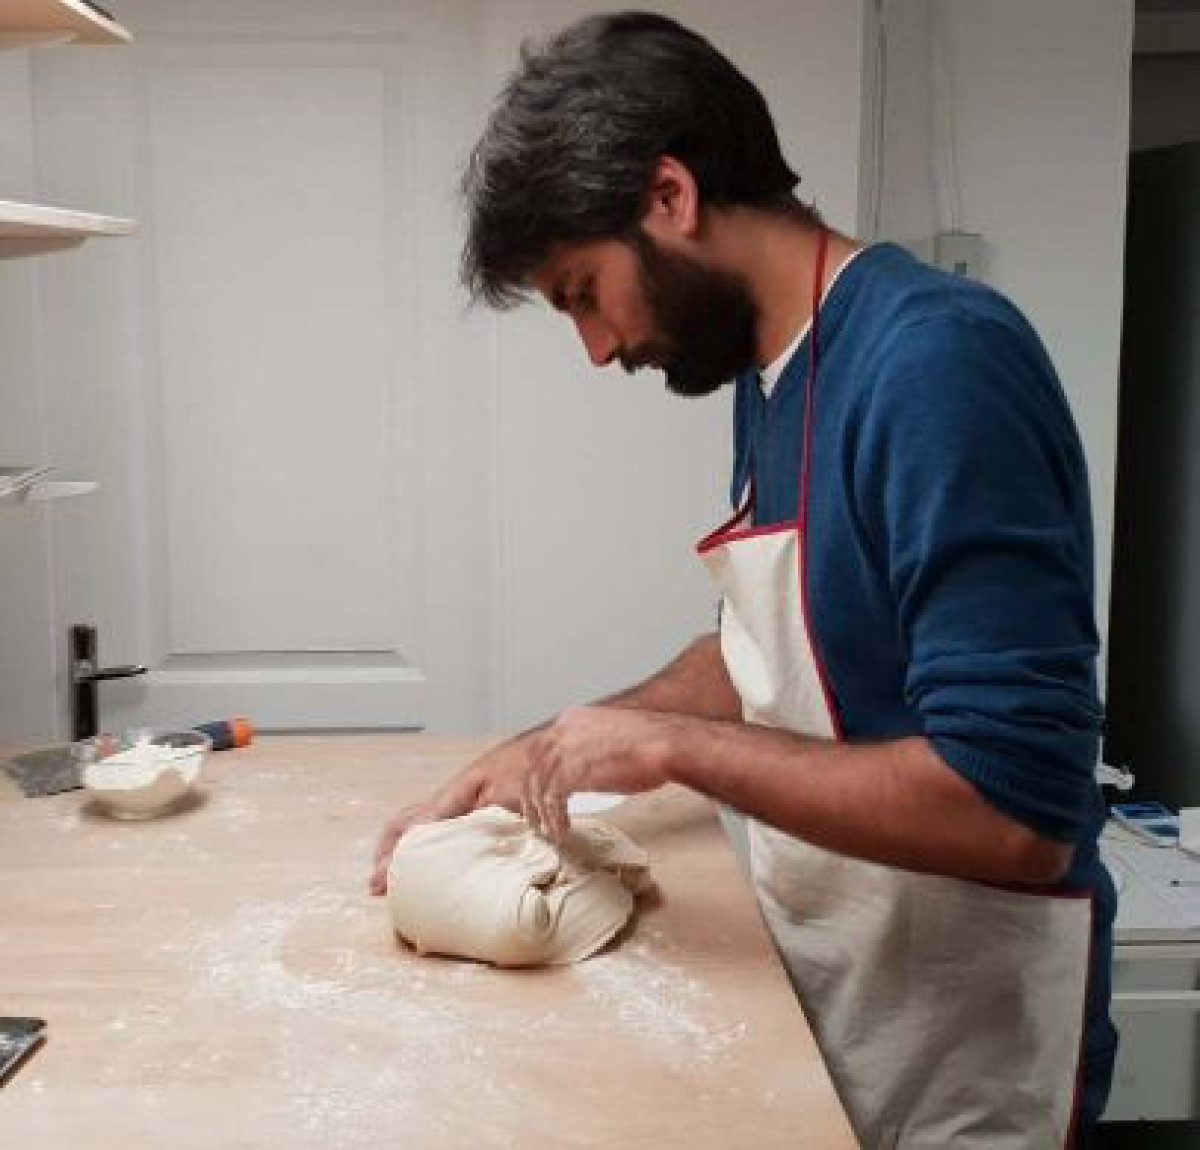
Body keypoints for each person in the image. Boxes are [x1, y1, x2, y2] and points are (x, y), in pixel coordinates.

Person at [369, 11, 1116, 1147]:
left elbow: (1020, 809)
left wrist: (670, 751)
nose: (599, 347)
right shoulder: (770, 376)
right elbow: (781, 646)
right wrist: (562, 738)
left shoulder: (936, 362)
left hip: (968, 1039)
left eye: (584, 290)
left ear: (669, 196)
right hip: (847, 987)